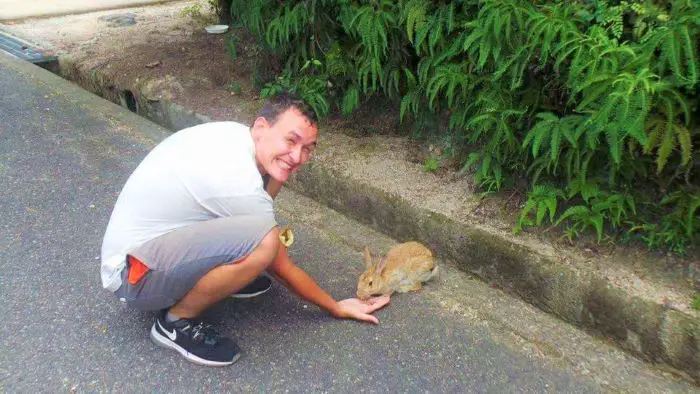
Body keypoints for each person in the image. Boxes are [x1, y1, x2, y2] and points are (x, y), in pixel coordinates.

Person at [100, 93, 390, 367]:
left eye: (307, 149)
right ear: (262, 127)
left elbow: (258, 206)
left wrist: (282, 163)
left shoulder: (239, 138)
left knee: (258, 234)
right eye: (291, 141)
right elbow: (281, 266)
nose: (298, 156)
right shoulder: (237, 180)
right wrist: (335, 307)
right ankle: (175, 322)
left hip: (151, 253)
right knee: (264, 244)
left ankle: (221, 276)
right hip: (133, 277)